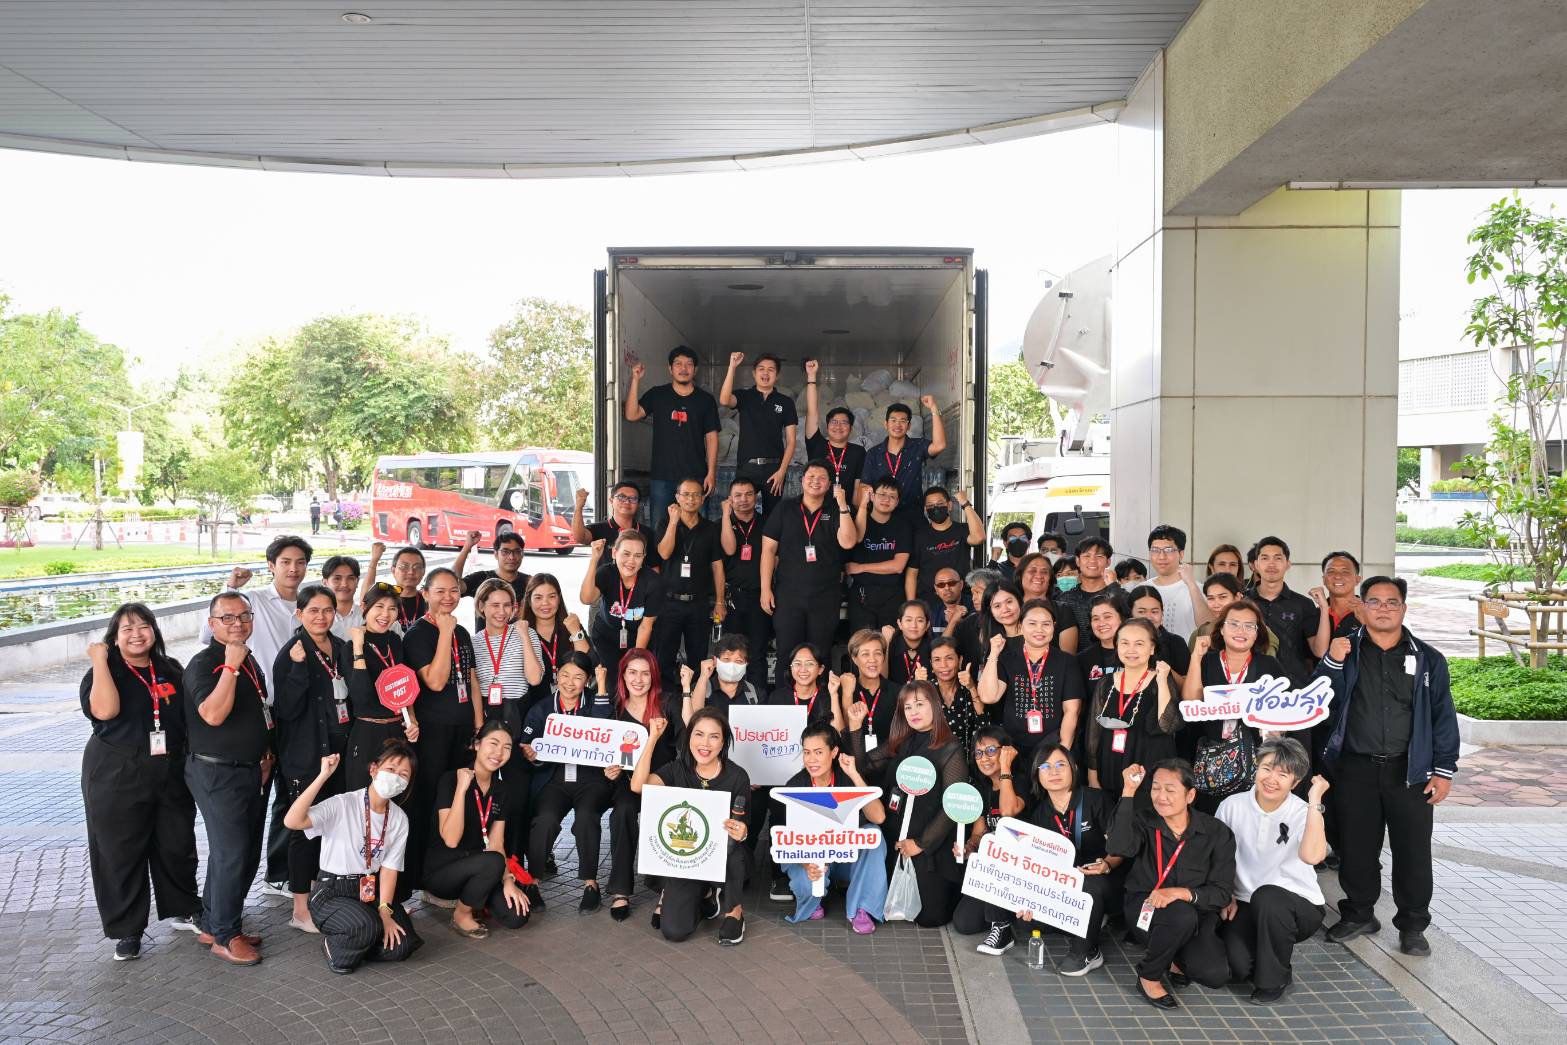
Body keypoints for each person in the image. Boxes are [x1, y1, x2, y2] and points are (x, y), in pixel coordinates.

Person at [1318, 576, 1459, 957]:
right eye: (1375, 602)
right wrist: (1331, 662)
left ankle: (1413, 925)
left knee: (1413, 852)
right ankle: (1359, 913)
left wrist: (1443, 769)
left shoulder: (1428, 658)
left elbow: (1443, 715)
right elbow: (1319, 700)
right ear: (1361, 608)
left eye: (1391, 602)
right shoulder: (1345, 651)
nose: (1383, 609)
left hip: (1410, 771)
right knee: (1356, 847)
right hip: (1355, 768)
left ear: (1403, 609)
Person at [81, 604, 201, 960]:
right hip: (117, 772)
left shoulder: (170, 669)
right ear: (114, 637)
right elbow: (105, 711)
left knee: (177, 843)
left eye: (143, 626)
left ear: (154, 630)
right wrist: (100, 660)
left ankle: (184, 907)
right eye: (127, 629)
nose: (137, 634)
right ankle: (128, 930)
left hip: (169, 769)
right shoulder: (104, 671)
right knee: (121, 852)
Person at [201, 534, 312, 898]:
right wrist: (231, 586)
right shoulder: (253, 601)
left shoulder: (309, 602)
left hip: (296, 714)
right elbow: (207, 633)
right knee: (258, 797)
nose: (293, 569)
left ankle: (281, 871)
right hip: (261, 713)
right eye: (286, 562)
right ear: (271, 566)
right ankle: (244, 887)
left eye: (300, 562)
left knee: (291, 792)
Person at [184, 591, 274, 965]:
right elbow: (213, 715)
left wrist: (265, 754)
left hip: (249, 769)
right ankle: (225, 936)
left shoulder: (248, 659)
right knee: (232, 853)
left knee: (242, 852)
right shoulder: (205, 663)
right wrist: (231, 667)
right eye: (227, 618)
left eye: (244, 616)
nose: (237, 623)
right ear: (212, 624)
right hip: (218, 772)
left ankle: (214, 923)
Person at [1108, 759, 1237, 1009]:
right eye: (1155, 788)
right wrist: (1128, 791)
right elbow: (1117, 846)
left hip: (1197, 915)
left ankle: (1174, 955)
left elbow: (1222, 893)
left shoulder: (1216, 832)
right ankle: (1149, 976)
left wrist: (1180, 893)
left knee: (1214, 974)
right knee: (1181, 916)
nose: (1161, 796)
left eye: (1170, 789)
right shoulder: (1143, 821)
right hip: (1146, 906)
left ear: (1190, 795)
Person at [283, 744, 423, 974]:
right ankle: (335, 946)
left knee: (402, 944)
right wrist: (322, 776)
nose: (396, 777)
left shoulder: (399, 819)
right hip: (331, 891)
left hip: (368, 890)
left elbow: (389, 869)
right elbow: (292, 821)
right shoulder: (343, 803)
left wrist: (385, 911)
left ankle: (361, 941)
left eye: (403, 774)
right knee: (366, 925)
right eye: (391, 769)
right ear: (373, 770)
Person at [1216, 737, 1329, 1003]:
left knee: (1268, 897)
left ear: (1295, 783)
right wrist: (1225, 892)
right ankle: (1265, 954)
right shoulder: (1232, 805)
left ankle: (1274, 980)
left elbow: (1312, 856)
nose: (1271, 779)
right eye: (1266, 769)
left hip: (1296, 905)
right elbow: (1217, 856)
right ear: (1256, 768)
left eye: (1283, 774)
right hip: (1244, 902)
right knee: (1237, 968)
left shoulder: (1303, 812)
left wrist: (1314, 801)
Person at [847, 681, 966, 927]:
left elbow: (953, 805)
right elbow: (864, 767)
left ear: (935, 705)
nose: (913, 712)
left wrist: (921, 844)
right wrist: (856, 728)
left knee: (929, 917)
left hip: (929, 846)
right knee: (886, 906)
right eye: (908, 707)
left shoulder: (951, 748)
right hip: (894, 839)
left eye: (920, 704)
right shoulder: (901, 740)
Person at [631, 707, 752, 944]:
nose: (704, 743)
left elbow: (745, 824)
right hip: (687, 861)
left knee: (734, 849)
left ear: (723, 742)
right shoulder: (677, 769)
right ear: (689, 738)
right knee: (674, 931)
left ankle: (734, 912)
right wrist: (652, 738)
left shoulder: (737, 776)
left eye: (714, 736)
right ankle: (706, 895)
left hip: (723, 859)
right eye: (699, 734)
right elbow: (638, 786)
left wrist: (742, 831)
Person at [272, 585, 354, 934]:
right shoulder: (292, 652)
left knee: (335, 823)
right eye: (313, 610)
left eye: (327, 610)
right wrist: (297, 669)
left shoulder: (341, 647)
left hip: (342, 751)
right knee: (304, 829)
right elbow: (286, 710)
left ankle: (329, 895)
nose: (321, 617)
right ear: (299, 614)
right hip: (308, 756)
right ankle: (300, 909)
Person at [401, 569, 481, 890]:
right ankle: (421, 877)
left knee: (457, 799)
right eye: (440, 591)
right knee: (430, 801)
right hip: (433, 730)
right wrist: (445, 632)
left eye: (454, 591)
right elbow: (434, 681)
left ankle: (449, 873)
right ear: (425, 594)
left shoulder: (461, 631)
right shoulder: (417, 634)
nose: (448, 597)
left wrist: (478, 724)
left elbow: (471, 679)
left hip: (462, 728)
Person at [519, 652, 615, 912]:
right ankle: (533, 882)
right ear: (556, 675)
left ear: (587, 679)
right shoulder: (542, 708)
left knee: (586, 817)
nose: (570, 683)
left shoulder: (596, 702)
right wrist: (531, 754)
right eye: (565, 675)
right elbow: (526, 743)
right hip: (554, 778)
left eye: (578, 677)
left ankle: (590, 884)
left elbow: (608, 732)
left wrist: (602, 687)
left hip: (590, 778)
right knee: (545, 819)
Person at [423, 722, 532, 937]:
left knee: (517, 915)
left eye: (507, 747)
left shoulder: (502, 790)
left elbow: (497, 843)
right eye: (493, 743)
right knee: (493, 862)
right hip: (443, 872)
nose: (499, 753)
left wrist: (508, 880)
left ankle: (473, 898)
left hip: (482, 869)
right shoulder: (450, 780)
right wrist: (461, 789)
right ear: (477, 744)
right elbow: (451, 839)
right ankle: (461, 914)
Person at [1021, 743, 1122, 974]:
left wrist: (1107, 864)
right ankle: (1090, 920)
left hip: (1103, 878)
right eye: (1045, 767)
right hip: (1065, 883)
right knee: (1027, 920)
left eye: (1060, 765)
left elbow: (1120, 849)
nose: (1053, 772)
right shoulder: (1040, 813)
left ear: (1074, 768)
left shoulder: (1096, 799)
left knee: (1089, 888)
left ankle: (1086, 952)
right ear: (1037, 775)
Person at [776, 723, 888, 932]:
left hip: (846, 857)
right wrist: (806, 864)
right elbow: (787, 840)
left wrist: (855, 774)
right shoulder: (795, 785)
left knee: (874, 834)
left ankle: (861, 908)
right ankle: (813, 900)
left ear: (834, 752)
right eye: (807, 752)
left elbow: (879, 817)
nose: (811, 759)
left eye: (818, 752)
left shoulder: (847, 777)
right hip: (811, 858)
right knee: (806, 886)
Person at [605, 649, 684, 921]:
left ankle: (664, 890)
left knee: (665, 818)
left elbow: (685, 740)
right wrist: (608, 769)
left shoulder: (667, 703)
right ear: (623, 676)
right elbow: (602, 749)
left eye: (645, 673)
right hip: (627, 781)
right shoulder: (614, 707)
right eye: (632, 673)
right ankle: (620, 889)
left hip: (663, 781)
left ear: (654, 677)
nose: (638, 680)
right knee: (622, 812)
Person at [1183, 601, 1285, 812]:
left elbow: (1281, 713)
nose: (1241, 631)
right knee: (1213, 819)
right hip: (1211, 763)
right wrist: (1196, 657)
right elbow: (1191, 701)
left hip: (1256, 761)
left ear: (1257, 633)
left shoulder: (1269, 665)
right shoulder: (1207, 661)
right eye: (1234, 624)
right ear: (1221, 629)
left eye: (1249, 626)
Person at [760, 461, 856, 661]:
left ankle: (820, 684)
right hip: (788, 596)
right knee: (787, 654)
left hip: (825, 597)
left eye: (822, 478)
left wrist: (842, 505)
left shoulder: (836, 510)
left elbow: (848, 542)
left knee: (820, 654)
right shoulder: (785, 508)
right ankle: (785, 684)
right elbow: (768, 550)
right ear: (802, 480)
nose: (815, 481)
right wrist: (765, 589)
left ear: (829, 485)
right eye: (811, 477)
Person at [1085, 620, 1179, 807]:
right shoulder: (1106, 682)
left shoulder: (1161, 680)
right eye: (1125, 643)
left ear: (1152, 648)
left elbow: (1168, 725)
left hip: (1148, 772)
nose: (1131, 650)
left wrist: (1162, 680)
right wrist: (1092, 775)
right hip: (1111, 768)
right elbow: (1093, 733)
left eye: (1139, 644)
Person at [978, 599, 1084, 764]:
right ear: (1021, 626)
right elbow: (988, 697)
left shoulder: (1067, 662)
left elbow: (1072, 710)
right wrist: (994, 654)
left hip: (1052, 746)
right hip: (1013, 748)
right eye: (1032, 623)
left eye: (1046, 624)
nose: (1039, 630)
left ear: (1054, 626)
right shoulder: (1007, 659)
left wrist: (1062, 751)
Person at [624, 346, 721, 520]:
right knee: (660, 526)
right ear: (670, 369)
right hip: (662, 476)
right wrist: (635, 379)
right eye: (678, 364)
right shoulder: (657, 394)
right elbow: (632, 415)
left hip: (696, 476)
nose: (684, 368)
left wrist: (711, 473)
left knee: (697, 527)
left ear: (695, 369)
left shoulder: (705, 400)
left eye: (689, 364)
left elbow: (712, 438)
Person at [952, 726, 1026, 951]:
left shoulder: (1022, 781)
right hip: (994, 873)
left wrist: (1006, 768)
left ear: (1006, 751)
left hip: (1021, 868)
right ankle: (1004, 913)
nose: (984, 758)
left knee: (994, 848)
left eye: (991, 750)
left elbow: (1008, 811)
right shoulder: (982, 789)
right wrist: (968, 847)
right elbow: (978, 832)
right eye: (979, 753)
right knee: (964, 923)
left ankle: (1002, 927)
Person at [653, 476, 725, 687]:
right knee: (664, 657)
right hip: (669, 602)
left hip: (698, 603)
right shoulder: (665, 523)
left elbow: (717, 567)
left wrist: (719, 601)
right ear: (677, 497)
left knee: (698, 657)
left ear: (702, 499)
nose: (691, 499)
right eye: (686, 494)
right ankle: (666, 699)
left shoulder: (710, 528)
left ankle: (695, 698)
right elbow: (664, 553)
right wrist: (673, 522)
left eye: (696, 495)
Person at [345, 585, 419, 784]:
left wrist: (412, 719)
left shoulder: (395, 641)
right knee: (363, 791)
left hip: (398, 730)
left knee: (399, 790)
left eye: (392, 608)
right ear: (364, 607)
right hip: (368, 732)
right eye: (379, 606)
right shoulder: (350, 647)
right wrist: (358, 648)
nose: (385, 614)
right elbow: (361, 696)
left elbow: (406, 685)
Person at [719, 351, 798, 513]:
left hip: (774, 469)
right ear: (754, 373)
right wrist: (732, 367)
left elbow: (791, 441)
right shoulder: (745, 396)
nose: (765, 373)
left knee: (773, 516)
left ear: (777, 375)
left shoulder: (785, 402)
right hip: (747, 468)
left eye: (771, 369)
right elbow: (724, 400)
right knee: (742, 513)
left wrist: (782, 471)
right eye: (761, 369)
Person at [581, 530, 664, 672]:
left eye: (637, 555)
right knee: (610, 681)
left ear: (643, 557)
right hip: (606, 637)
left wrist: (635, 661)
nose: (631, 561)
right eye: (626, 554)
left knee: (634, 676)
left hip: (637, 638)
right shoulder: (606, 573)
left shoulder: (653, 582)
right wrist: (594, 560)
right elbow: (586, 598)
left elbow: (645, 627)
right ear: (614, 553)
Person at [1244, 536, 1320, 687]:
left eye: (1278, 558)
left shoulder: (1303, 604)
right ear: (1255, 565)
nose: (1271, 564)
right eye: (1265, 558)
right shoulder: (1242, 602)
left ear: (1288, 564)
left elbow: (1316, 651)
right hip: (1250, 686)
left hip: (1293, 688)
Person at [720, 478, 772, 691]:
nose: (744, 499)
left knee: (757, 652)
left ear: (756, 497)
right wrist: (726, 516)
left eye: (749, 494)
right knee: (732, 653)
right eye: (738, 495)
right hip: (733, 597)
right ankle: (732, 697)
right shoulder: (722, 524)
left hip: (760, 596)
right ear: (730, 499)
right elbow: (729, 549)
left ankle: (758, 698)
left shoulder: (767, 523)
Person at [859, 398, 948, 523]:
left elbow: (939, 445)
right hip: (881, 519)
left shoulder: (917, 446)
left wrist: (933, 408)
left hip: (912, 517)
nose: (898, 425)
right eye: (893, 420)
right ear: (886, 424)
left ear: (909, 426)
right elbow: (864, 485)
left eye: (903, 421)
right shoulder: (873, 453)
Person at [848, 478, 913, 632]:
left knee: (890, 642)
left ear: (897, 502)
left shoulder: (903, 526)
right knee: (862, 642)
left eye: (892, 496)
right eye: (882, 494)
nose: (886, 499)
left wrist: (861, 567)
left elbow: (898, 566)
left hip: (893, 595)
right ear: (872, 496)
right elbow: (857, 537)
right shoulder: (858, 520)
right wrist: (863, 505)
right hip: (862, 595)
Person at [906, 486, 984, 605]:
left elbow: (979, 538)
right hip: (930, 602)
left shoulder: (961, 530)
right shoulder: (919, 536)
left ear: (949, 505)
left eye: (940, 504)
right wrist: (911, 605)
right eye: (930, 505)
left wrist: (965, 503)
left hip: (961, 599)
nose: (935, 508)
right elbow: (912, 573)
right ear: (925, 509)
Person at [802, 359, 867, 498]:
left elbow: (858, 489)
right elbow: (812, 411)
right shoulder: (816, 444)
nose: (838, 426)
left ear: (850, 428)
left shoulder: (858, 452)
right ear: (827, 426)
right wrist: (811, 377)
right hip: (818, 506)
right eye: (834, 422)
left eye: (844, 423)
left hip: (845, 508)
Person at [521, 573, 590, 701]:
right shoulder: (521, 632)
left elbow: (588, 663)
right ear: (529, 601)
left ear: (559, 598)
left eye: (551, 596)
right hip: (532, 705)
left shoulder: (571, 625)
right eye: (538, 597)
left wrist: (576, 632)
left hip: (571, 702)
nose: (545, 603)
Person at [572, 482, 661, 567]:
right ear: (611, 500)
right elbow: (579, 537)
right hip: (604, 578)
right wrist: (579, 506)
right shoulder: (598, 529)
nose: (627, 502)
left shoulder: (647, 533)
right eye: (621, 497)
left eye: (633, 498)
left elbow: (654, 567)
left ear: (638, 504)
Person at [1189, 573, 1282, 653]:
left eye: (1222, 597)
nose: (1216, 604)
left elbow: (1268, 666)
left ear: (1237, 597)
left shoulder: (1261, 633)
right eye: (1211, 598)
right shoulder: (1200, 633)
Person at [1146, 525, 1209, 638]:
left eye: (1169, 550)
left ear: (1181, 554)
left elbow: (1207, 627)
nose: (1161, 556)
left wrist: (1191, 584)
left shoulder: (1198, 589)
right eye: (1155, 550)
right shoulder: (1142, 589)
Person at [928, 637, 985, 754]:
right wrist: (920, 687)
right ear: (931, 664)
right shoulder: (926, 690)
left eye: (949, 658)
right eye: (937, 660)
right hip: (931, 759)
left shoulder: (969, 687)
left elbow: (982, 720)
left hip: (966, 758)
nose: (943, 665)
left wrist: (972, 688)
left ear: (960, 660)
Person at [1053, 537, 1119, 637]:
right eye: (1087, 556)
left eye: (1099, 556)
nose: (1092, 560)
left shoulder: (1117, 595)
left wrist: (1114, 587)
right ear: (1077, 561)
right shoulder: (1064, 599)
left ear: (1108, 562)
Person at [767, 642, 841, 730]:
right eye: (797, 663)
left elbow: (838, 734)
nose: (803, 669)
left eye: (809, 664)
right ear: (791, 668)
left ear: (820, 669)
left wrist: (834, 695)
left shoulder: (829, 697)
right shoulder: (777, 697)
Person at [954, 579, 1023, 672]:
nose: (1005, 609)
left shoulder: (1035, 633)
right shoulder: (992, 640)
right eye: (997, 606)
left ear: (1019, 601)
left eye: (1009, 602)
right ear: (991, 612)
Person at [839, 629, 893, 746]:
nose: (872, 660)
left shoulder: (897, 692)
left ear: (884, 657)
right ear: (855, 659)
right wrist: (847, 695)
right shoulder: (844, 690)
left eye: (877, 653)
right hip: (853, 755)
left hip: (888, 755)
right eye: (865, 654)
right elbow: (845, 736)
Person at [1127, 585, 1193, 679]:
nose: (1148, 617)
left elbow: (1187, 685)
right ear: (1130, 614)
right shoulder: (1120, 642)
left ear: (1162, 612)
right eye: (1141, 612)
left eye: (1154, 611)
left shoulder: (1176, 643)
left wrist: (1163, 668)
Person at [360, 543, 427, 635]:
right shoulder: (384, 598)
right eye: (404, 566)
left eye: (417, 567)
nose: (411, 572)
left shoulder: (429, 600)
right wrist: (374, 560)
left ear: (423, 572)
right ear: (393, 570)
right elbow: (365, 598)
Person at [454, 529, 530, 606]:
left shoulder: (530, 583)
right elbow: (454, 585)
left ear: (522, 554)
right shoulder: (481, 579)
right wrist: (467, 546)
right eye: (505, 552)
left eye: (517, 552)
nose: (511, 557)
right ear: (496, 554)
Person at [689, 635, 763, 713]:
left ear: (746, 663)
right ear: (715, 661)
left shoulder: (756, 694)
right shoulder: (700, 688)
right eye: (726, 659)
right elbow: (694, 717)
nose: (732, 665)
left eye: (738, 661)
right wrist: (703, 677)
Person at [1310, 550, 1364, 655]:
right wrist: (1324, 608)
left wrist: (1366, 620)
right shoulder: (1313, 614)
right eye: (1331, 571)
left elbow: (1381, 646)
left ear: (1357, 580)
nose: (1338, 576)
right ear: (1324, 579)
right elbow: (1320, 653)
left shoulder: (1371, 611)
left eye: (1345, 572)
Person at [1077, 591, 1129, 688]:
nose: (1101, 623)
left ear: (1122, 618)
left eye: (1107, 617)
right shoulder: (1082, 660)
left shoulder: (1138, 653)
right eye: (1096, 619)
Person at [884, 600, 933, 688]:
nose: (914, 625)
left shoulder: (934, 649)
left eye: (920, 620)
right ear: (900, 624)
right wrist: (886, 644)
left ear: (927, 625)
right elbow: (881, 680)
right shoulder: (890, 645)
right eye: (908, 620)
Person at [321, 554, 363, 640]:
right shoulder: (316, 619)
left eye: (350, 578)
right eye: (337, 578)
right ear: (325, 583)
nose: (344, 584)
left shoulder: (367, 617)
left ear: (357, 581)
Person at [928, 566, 968, 635]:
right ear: (936, 589)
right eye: (941, 584)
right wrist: (953, 621)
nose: (947, 588)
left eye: (952, 583)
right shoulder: (932, 613)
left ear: (961, 585)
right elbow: (940, 642)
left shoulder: (976, 606)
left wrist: (960, 623)